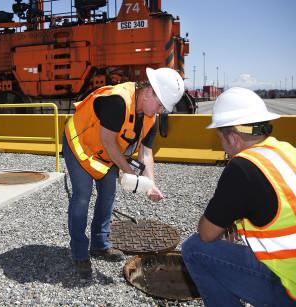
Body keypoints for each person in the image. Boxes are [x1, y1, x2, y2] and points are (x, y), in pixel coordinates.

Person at [63, 67, 184, 278]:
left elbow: (146, 154)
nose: (160, 110)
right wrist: (132, 175)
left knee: (108, 195)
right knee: (82, 197)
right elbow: (108, 141)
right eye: (160, 104)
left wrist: (150, 184)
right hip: (80, 146)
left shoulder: (150, 117)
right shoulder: (118, 101)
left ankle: (100, 245)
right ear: (149, 92)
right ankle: (80, 252)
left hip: (105, 154)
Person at [181, 87, 296, 306]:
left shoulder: (243, 168)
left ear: (233, 138)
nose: (223, 146)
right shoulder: (287, 150)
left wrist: (223, 221)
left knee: (195, 248)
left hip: (290, 289)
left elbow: (206, 233)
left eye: (220, 139)